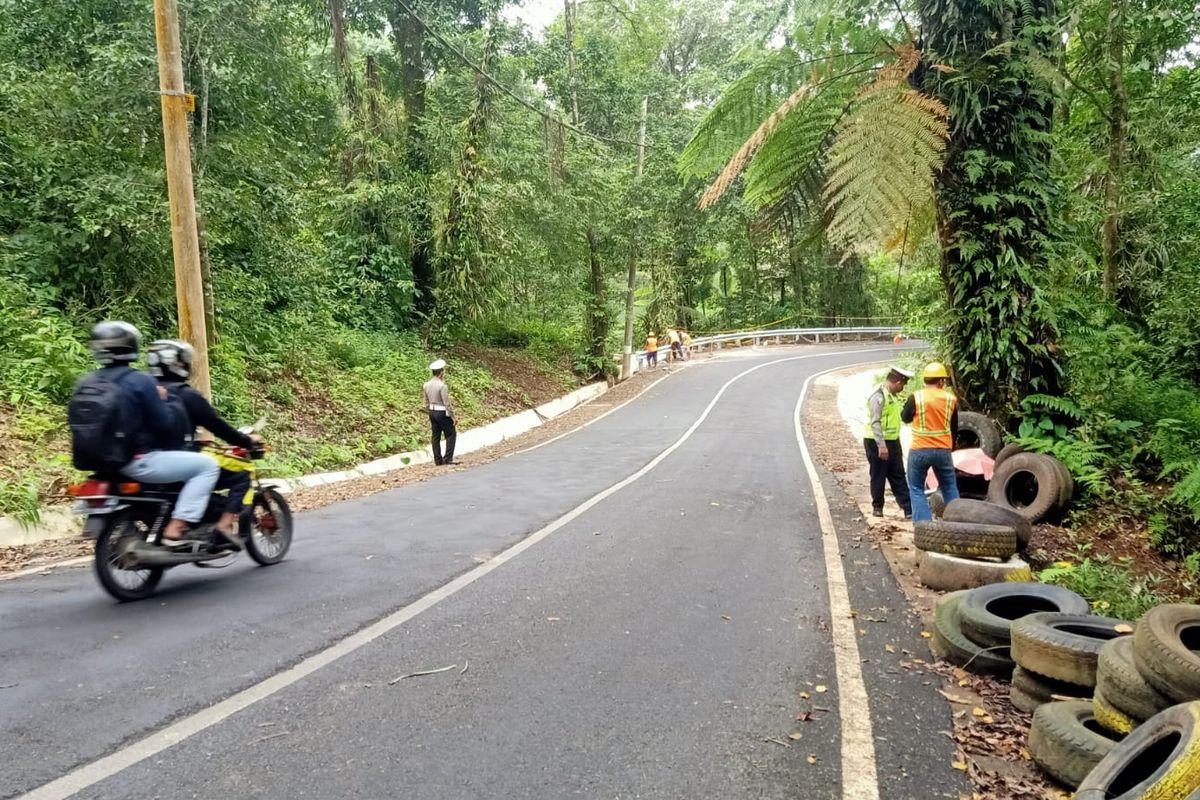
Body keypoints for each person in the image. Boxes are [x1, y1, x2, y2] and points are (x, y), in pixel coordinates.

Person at [79, 321, 221, 548]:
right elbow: (164, 425)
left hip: (99, 466)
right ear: (130, 347)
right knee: (207, 466)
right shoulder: (140, 381)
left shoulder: (86, 382)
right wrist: (164, 402)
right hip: (137, 461)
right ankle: (177, 527)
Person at [147, 339, 256, 548]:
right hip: (178, 461)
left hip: (145, 460)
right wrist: (246, 441)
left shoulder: (144, 391)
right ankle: (224, 526)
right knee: (241, 476)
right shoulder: (187, 395)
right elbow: (218, 426)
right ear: (180, 364)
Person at [901, 362, 960, 522]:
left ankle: (923, 527)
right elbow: (954, 427)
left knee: (916, 488)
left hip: (920, 449)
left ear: (925, 380)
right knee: (949, 487)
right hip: (943, 450)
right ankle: (957, 524)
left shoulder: (916, 397)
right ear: (941, 381)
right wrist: (951, 448)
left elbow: (905, 417)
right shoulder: (950, 399)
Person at [864, 366, 914, 519]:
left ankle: (908, 509)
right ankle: (877, 507)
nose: (903, 388)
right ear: (897, 382)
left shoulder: (891, 396)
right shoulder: (878, 397)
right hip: (876, 442)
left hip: (893, 441)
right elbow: (875, 422)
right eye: (902, 385)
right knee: (879, 474)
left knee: (898, 475)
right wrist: (881, 445)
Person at [423, 359, 457, 466]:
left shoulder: (426, 385)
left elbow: (425, 402)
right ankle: (448, 458)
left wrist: (429, 411)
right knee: (451, 434)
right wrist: (453, 417)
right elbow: (447, 403)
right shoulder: (442, 386)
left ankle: (438, 459)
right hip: (442, 412)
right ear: (441, 372)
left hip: (432, 412)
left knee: (435, 436)